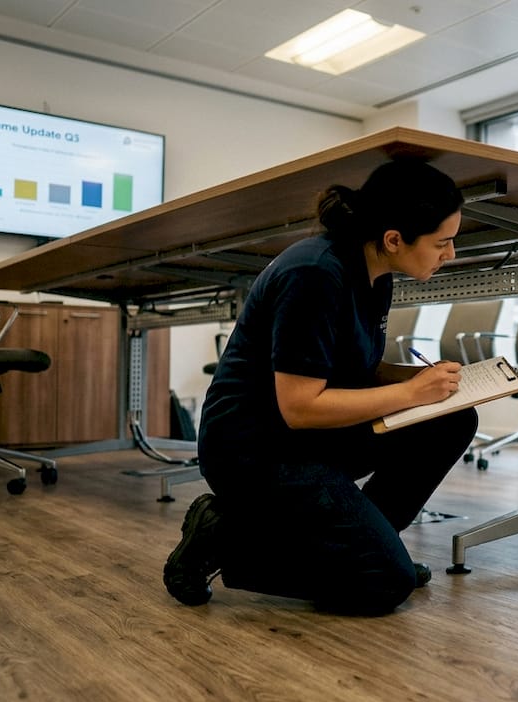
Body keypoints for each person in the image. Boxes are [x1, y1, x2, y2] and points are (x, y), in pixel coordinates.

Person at [163, 159, 479, 613]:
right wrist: (412, 394)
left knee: (451, 419)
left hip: (309, 438)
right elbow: (301, 407)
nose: (450, 254)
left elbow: (356, 368)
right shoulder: (313, 273)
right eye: (442, 243)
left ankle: (370, 547)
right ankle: (226, 535)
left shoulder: (376, 273)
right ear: (394, 239)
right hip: (257, 452)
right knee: (384, 585)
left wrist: (419, 379)